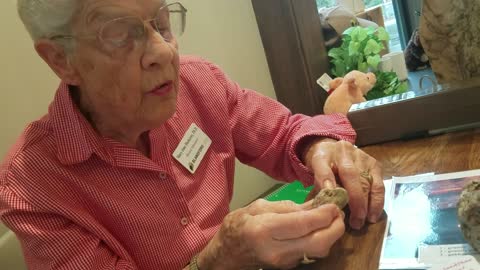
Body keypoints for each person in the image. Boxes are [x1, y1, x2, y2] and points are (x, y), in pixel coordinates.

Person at [0, 0, 384, 269]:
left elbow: (283, 133)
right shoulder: (33, 187)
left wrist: (320, 147)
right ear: (60, 60)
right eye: (120, 35)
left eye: (162, 22)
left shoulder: (198, 83)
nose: (163, 52)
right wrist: (217, 261)